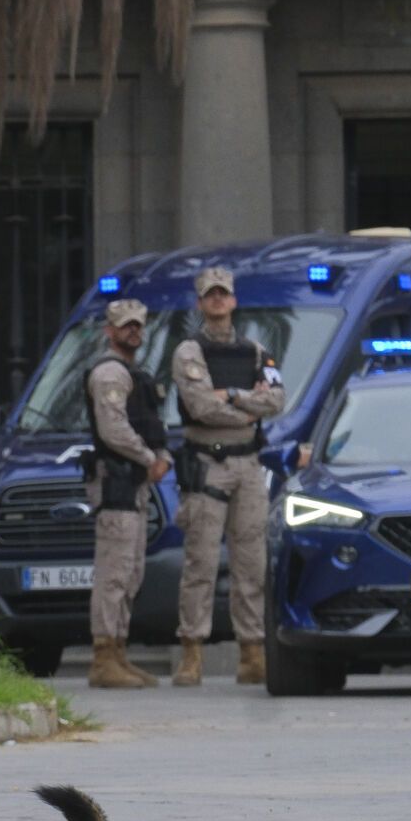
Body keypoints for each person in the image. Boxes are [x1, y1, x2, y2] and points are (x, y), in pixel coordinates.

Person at [169, 267, 283, 686]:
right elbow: (201, 407)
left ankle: (252, 652)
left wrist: (233, 394)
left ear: (234, 301)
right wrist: (249, 406)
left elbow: (277, 400)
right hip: (207, 464)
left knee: (251, 561)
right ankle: (192, 653)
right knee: (200, 560)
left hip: (249, 465)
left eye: (224, 294)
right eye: (210, 295)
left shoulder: (255, 351)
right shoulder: (188, 352)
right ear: (200, 304)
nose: (218, 301)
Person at [83, 298, 172, 689]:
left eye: (137, 325)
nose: (133, 331)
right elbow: (113, 430)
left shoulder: (133, 374)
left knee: (131, 571)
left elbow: (151, 423)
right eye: (125, 325)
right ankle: (104, 658)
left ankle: (118, 652)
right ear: (109, 330)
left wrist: (159, 456)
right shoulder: (109, 375)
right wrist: (150, 458)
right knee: (115, 572)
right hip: (117, 481)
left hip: (133, 483)